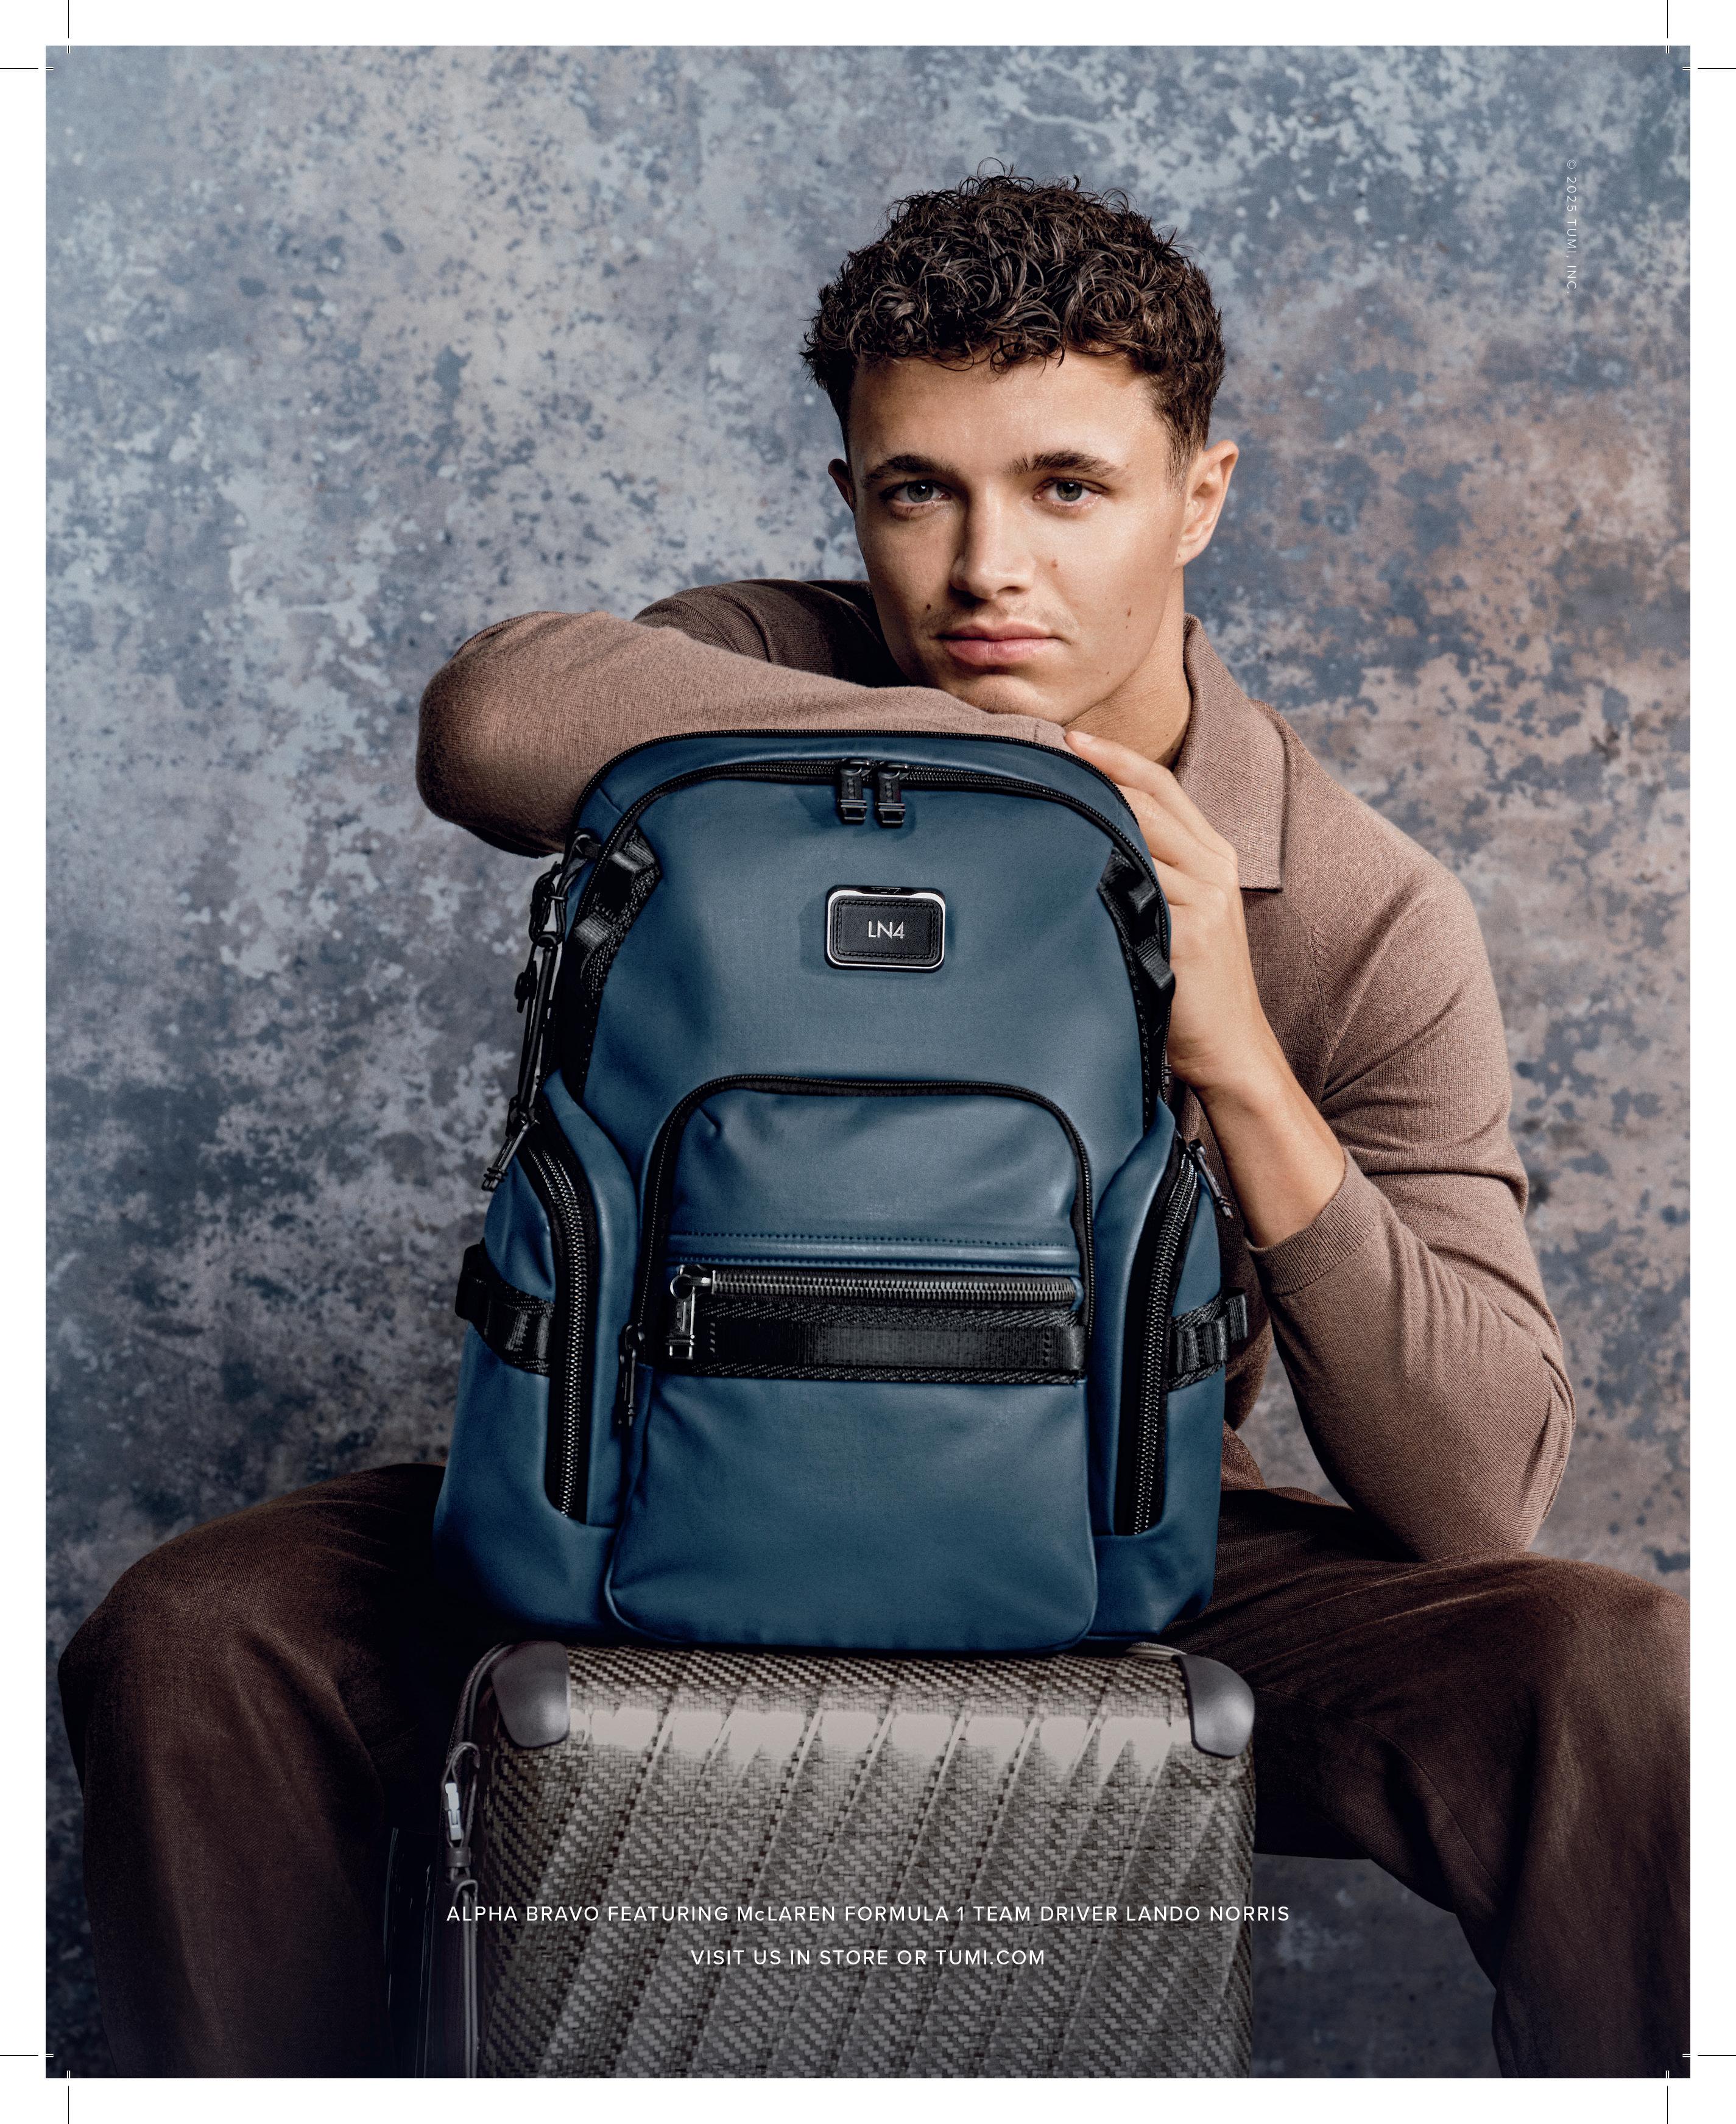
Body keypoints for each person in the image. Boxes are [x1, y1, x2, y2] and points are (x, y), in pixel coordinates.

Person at [60, 172, 1685, 2078]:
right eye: (919, 491)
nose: (987, 569)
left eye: (1066, 488)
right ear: (851, 498)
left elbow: (1482, 1490)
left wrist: (1239, 1055)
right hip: (639, 1468)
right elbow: (492, 721)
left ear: (1199, 495)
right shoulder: (774, 665)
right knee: (199, 1638)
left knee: (1611, 1673)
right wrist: (1044, 789)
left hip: (1112, 1517)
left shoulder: (1358, 904)